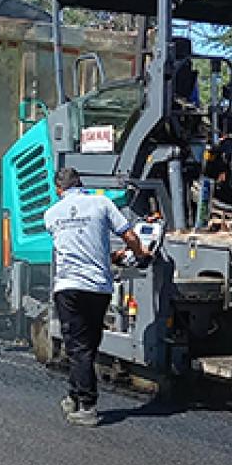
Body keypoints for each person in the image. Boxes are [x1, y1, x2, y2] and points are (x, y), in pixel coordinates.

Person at [44, 167, 152, 427]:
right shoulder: (101, 203)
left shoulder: (51, 214)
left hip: (69, 286)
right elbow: (128, 236)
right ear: (81, 183)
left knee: (77, 347)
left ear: (59, 189)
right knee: (88, 344)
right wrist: (141, 254)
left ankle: (88, 407)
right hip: (98, 288)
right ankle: (73, 395)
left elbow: (71, 246)